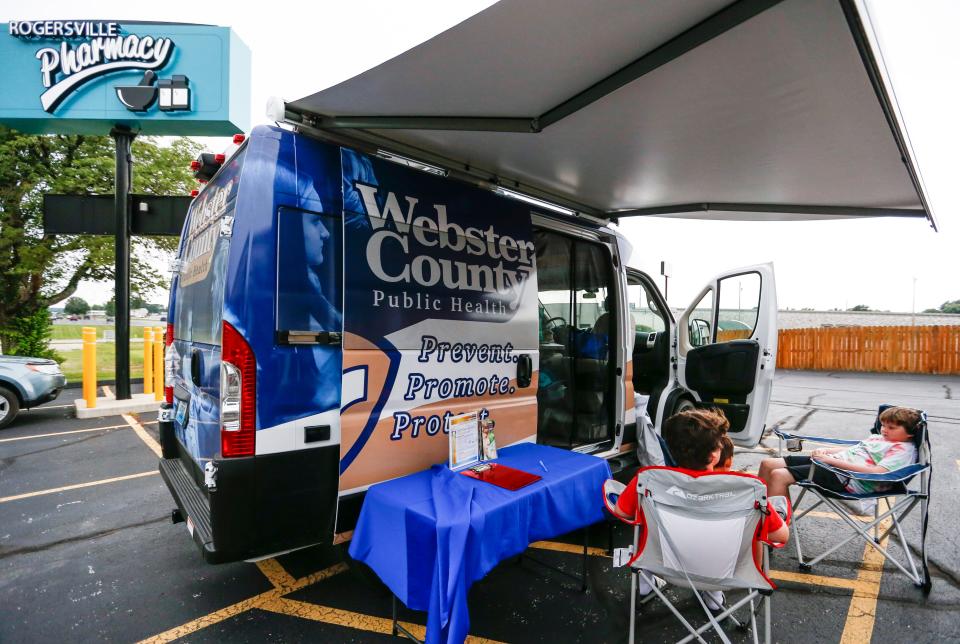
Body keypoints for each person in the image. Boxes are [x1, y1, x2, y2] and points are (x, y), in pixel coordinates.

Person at [613, 409, 789, 609]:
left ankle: (647, 584)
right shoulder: (746, 489)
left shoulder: (649, 479)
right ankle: (713, 596)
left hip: (665, 566)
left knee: (645, 522)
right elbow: (781, 536)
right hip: (727, 573)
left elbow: (621, 512)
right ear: (715, 455)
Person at [758, 406, 920, 500]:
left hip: (850, 479)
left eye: (891, 428)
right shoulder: (881, 438)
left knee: (779, 475)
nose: (884, 430)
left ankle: (776, 528)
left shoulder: (902, 450)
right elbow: (855, 450)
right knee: (768, 464)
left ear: (910, 433)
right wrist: (826, 451)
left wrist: (830, 461)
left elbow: (878, 473)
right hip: (833, 465)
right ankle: (759, 512)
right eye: (883, 425)